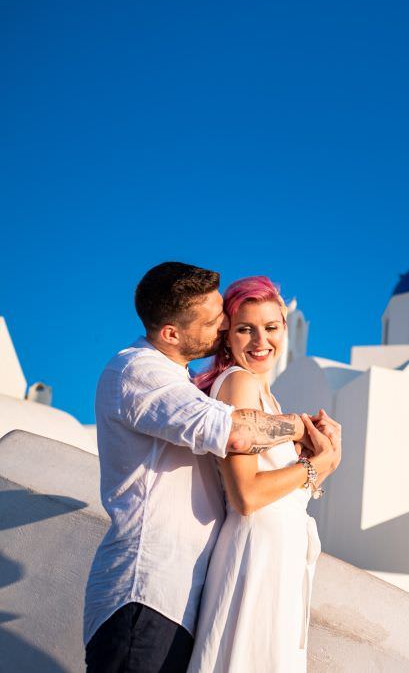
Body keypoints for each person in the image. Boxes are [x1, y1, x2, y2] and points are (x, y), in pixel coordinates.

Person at [83, 262, 340, 673]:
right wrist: (303, 430)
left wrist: (312, 459)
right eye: (220, 320)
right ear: (171, 332)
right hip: (145, 591)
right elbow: (236, 439)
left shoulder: (180, 383)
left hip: (179, 593)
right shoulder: (138, 371)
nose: (222, 325)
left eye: (223, 313)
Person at [187, 276, 341, 672]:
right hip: (256, 560)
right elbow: (247, 496)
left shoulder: (266, 397)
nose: (260, 341)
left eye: (271, 328)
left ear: (285, 330)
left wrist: (321, 462)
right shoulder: (239, 383)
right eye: (245, 329)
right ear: (227, 336)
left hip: (277, 560)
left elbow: (280, 489)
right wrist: (314, 466)